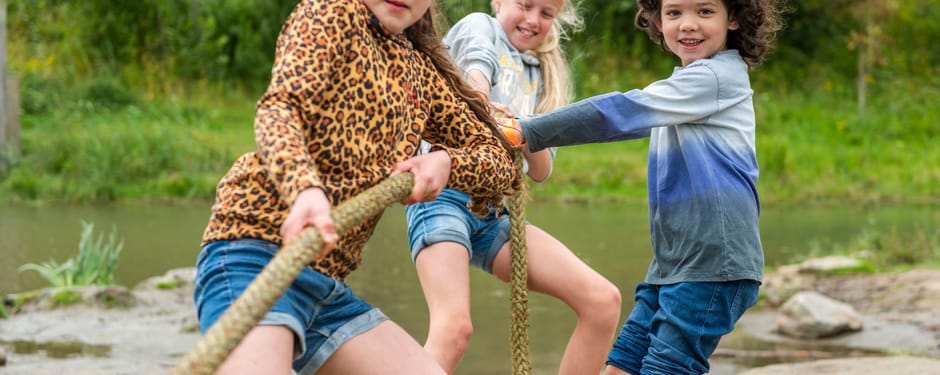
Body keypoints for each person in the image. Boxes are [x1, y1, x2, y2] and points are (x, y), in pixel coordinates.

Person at [191, 0, 522, 374]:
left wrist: (447, 162)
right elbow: (281, 108)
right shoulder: (331, 13)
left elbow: (500, 161)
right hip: (256, 252)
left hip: (326, 287)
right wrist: (304, 189)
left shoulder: (419, 72)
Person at [510, 0, 785, 374]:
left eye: (704, 12)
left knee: (666, 367)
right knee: (620, 366)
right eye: (674, 13)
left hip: (714, 264)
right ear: (658, 19)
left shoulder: (717, 78)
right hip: (672, 265)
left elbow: (619, 113)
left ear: (733, 17)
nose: (688, 25)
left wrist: (528, 131)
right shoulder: (684, 84)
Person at [405, 0, 622, 374]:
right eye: (524, 5)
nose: (533, 19)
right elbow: (476, 68)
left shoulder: (543, 73)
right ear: (499, 2)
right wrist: (486, 107)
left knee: (603, 301)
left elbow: (540, 172)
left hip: (493, 213)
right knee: (455, 329)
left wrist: (525, 129)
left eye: (546, 13)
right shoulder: (480, 26)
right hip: (443, 196)